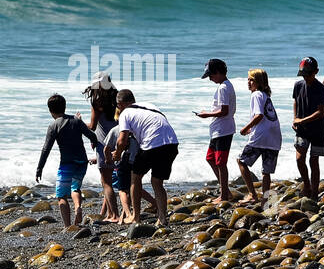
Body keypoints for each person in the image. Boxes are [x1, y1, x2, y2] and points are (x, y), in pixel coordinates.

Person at [114, 89, 179, 226]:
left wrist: (117, 154)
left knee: (135, 177)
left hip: (151, 144)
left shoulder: (125, 112)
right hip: (171, 143)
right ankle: (162, 218)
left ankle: (135, 217)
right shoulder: (150, 105)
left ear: (120, 104)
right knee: (157, 181)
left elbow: (122, 140)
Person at [35, 93, 100, 230]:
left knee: (61, 196)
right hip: (82, 162)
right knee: (75, 188)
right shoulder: (76, 120)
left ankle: (67, 225)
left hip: (67, 164)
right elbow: (92, 135)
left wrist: (39, 168)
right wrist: (94, 144)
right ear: (65, 107)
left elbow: (46, 149)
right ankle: (78, 208)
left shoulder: (54, 126)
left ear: (50, 110)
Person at [238, 69, 282, 204]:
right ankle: (265, 200)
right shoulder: (265, 95)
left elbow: (259, 115)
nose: (248, 82)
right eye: (248, 79)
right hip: (274, 137)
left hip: (261, 137)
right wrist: (252, 128)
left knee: (241, 161)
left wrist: (246, 127)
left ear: (259, 83)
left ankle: (252, 194)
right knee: (266, 171)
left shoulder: (256, 95)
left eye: (251, 80)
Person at [195, 58, 235, 204]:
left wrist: (207, 114)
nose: (210, 79)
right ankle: (226, 191)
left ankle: (224, 195)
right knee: (211, 158)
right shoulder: (225, 85)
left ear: (218, 72)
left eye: (211, 75)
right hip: (218, 129)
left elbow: (224, 111)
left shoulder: (224, 87)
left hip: (223, 130)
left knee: (220, 163)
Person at [84, 73, 120, 222]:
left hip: (103, 144)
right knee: (111, 180)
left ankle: (114, 215)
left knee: (106, 182)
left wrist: (78, 122)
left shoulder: (98, 103)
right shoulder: (118, 99)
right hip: (119, 141)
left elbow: (92, 127)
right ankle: (108, 213)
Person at [292, 56, 324, 200]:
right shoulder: (298, 85)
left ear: (316, 72)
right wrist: (295, 118)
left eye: (308, 74)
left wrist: (302, 120)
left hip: (318, 131)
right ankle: (307, 184)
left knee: (314, 161)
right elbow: (295, 101)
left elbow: (320, 112)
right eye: (304, 74)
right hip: (302, 130)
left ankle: (314, 191)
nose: (306, 77)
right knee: (300, 158)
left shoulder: (321, 88)